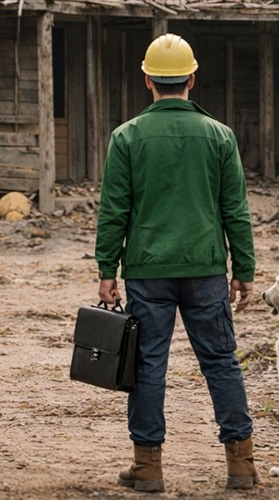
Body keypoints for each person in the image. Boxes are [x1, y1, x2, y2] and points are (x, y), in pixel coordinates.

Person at [95, 32, 259, 493]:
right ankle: (241, 464)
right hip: (206, 270)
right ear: (192, 78)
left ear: (147, 80)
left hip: (147, 273)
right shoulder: (220, 136)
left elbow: (114, 211)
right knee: (222, 363)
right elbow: (235, 210)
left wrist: (107, 270)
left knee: (147, 366)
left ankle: (148, 467)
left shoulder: (126, 137)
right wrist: (243, 270)